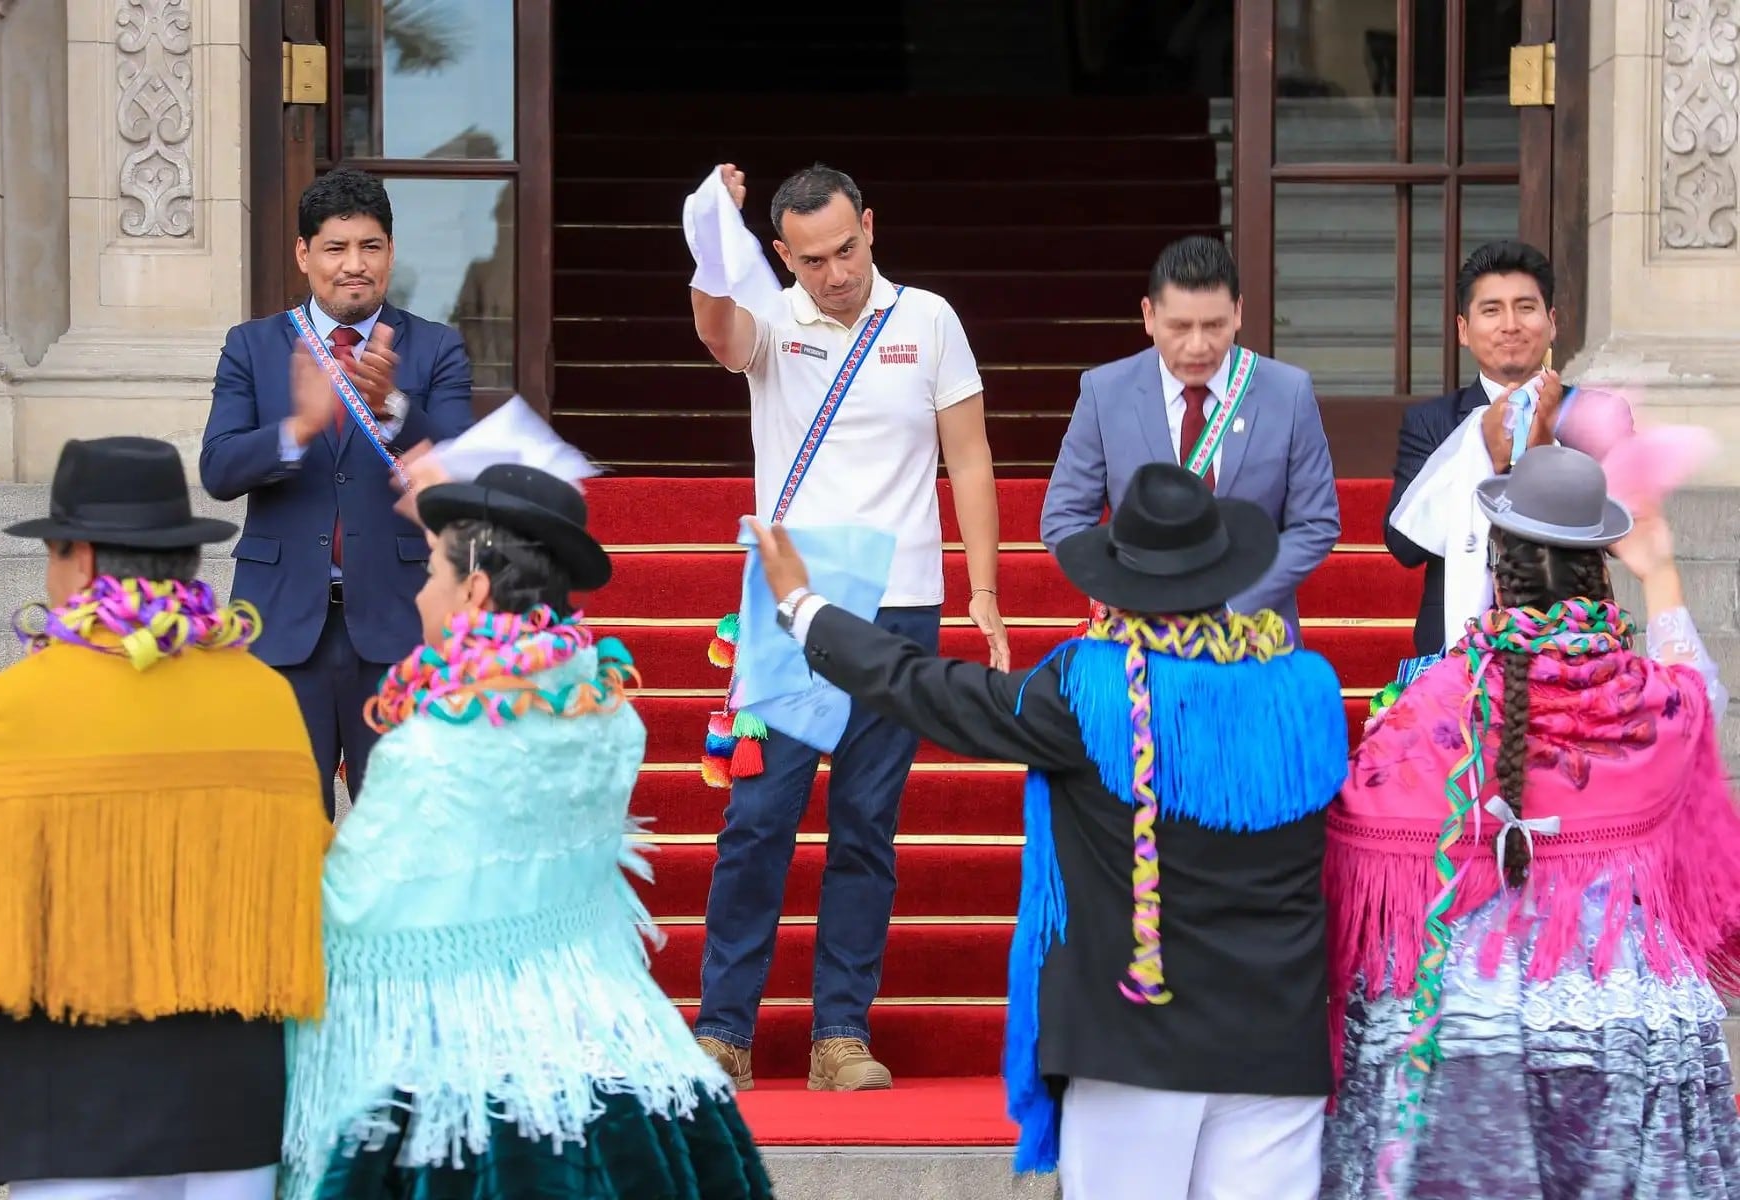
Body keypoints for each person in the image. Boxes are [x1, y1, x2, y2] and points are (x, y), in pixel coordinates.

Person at [751, 464, 1350, 1199]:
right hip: (1279, 1046)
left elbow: (930, 689)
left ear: (1114, 583)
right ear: (1228, 572)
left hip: (1132, 1044)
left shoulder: (1084, 686)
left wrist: (805, 608)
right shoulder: (1310, 689)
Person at [279, 463, 773, 1200]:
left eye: (432, 573)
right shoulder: (609, 718)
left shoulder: (431, 744)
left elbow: (356, 917)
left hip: (468, 1086)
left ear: (475, 590)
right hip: (618, 1047)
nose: (418, 593)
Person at [1325, 445, 1740, 1198]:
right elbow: (1699, 699)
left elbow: (1362, 821)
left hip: (1465, 1013)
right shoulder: (1653, 698)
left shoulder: (1436, 695)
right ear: (1600, 570)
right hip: (1626, 1013)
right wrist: (1664, 576)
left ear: (1497, 568)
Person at [686, 162, 1007, 1090]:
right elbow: (715, 328)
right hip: (792, 597)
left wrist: (983, 586)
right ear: (784, 255)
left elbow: (971, 454)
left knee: (867, 822)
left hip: (902, 598)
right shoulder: (771, 318)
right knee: (759, 816)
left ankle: (840, 1036)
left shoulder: (929, 319)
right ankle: (723, 1031)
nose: (837, 273)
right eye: (814, 259)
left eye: (849, 249)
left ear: (871, 224)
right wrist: (714, 231)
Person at [0, 436, 330, 1199]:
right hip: (240, 1114)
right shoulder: (266, 699)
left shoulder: (4, 714)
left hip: (68, 1116)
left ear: (79, 559)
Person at [200, 167, 476, 818]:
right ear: (304, 254)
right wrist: (297, 426)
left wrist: (396, 408)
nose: (354, 266)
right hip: (278, 629)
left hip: (400, 626)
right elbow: (218, 468)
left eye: (370, 247)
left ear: (390, 251)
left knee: (402, 832)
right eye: (335, 248)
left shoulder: (435, 349)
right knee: (282, 828)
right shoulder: (254, 346)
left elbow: (462, 475)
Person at [1040, 235, 1340, 642]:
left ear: (1237, 313)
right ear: (1149, 316)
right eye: (1180, 327)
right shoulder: (1105, 392)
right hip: (1140, 636)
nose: (1198, 346)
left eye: (1214, 325)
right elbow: (1064, 516)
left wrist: (1233, 605)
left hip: (1254, 641)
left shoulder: (1288, 393)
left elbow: (1315, 523)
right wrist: (1120, 587)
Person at [1383, 241, 1574, 662]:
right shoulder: (1431, 422)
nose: (1510, 325)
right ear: (1464, 330)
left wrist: (1547, 450)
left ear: (1552, 322)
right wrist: (1477, 453)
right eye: (1491, 310)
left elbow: (1620, 534)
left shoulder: (1591, 414)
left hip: (1570, 641)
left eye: (1526, 307)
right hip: (1455, 650)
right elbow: (1404, 546)